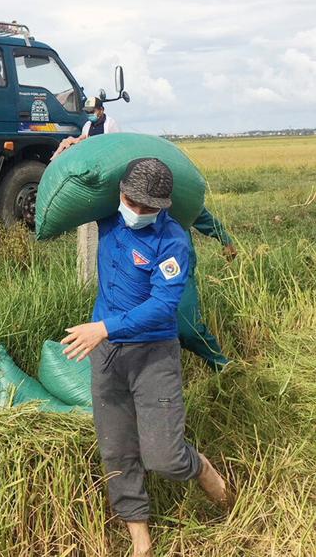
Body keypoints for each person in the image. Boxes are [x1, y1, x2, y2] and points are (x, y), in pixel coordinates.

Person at [60, 158, 228, 557]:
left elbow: (162, 306)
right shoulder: (106, 218)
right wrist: (69, 149)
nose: (135, 212)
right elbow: (76, 179)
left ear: (163, 204)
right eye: (130, 202)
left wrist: (103, 327)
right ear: (120, 193)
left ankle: (200, 467)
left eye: (147, 207)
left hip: (153, 355)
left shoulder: (172, 241)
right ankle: (140, 538)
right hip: (106, 356)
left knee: (165, 457)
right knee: (116, 451)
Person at [178, 207, 236, 371]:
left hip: (175, 259)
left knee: (186, 328)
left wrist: (223, 237)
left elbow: (191, 206)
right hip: (131, 260)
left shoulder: (176, 182)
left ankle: (225, 371)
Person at [50, 98, 121, 161]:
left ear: (101, 110)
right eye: (87, 112)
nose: (89, 114)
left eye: (92, 111)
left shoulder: (111, 125)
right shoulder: (87, 125)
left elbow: (119, 147)